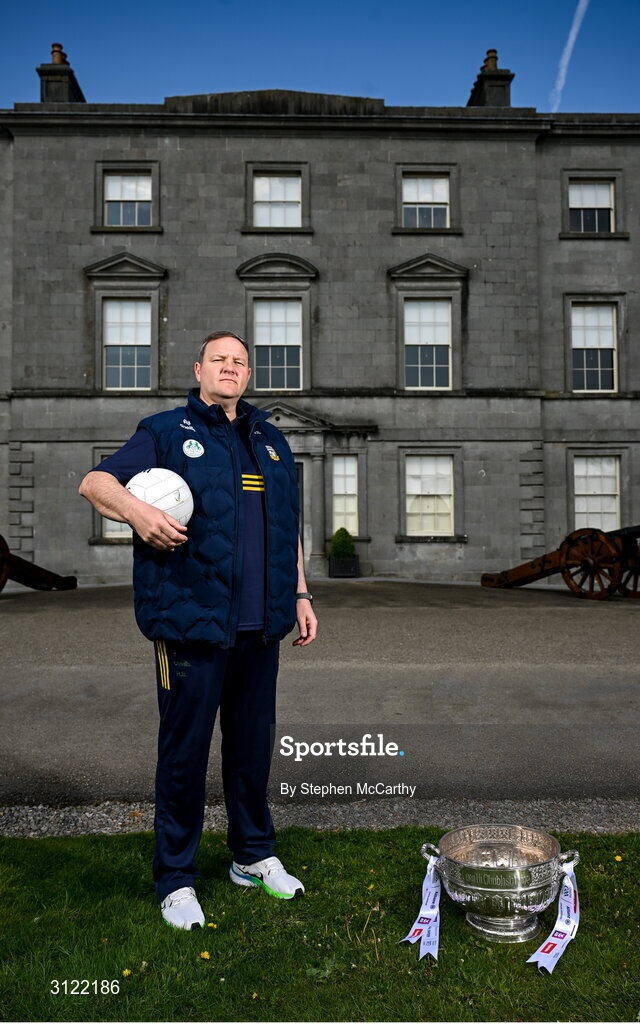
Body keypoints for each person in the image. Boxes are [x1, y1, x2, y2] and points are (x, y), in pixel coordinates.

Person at [79, 331, 317, 930]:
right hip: (189, 625)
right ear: (199, 369)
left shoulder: (272, 440)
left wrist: (301, 592)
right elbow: (96, 483)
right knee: (184, 754)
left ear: (248, 375)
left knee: (251, 749)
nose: (231, 368)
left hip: (261, 628)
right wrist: (139, 512)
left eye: (240, 361)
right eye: (220, 359)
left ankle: (253, 856)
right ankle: (176, 880)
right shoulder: (163, 430)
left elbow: (286, 527)